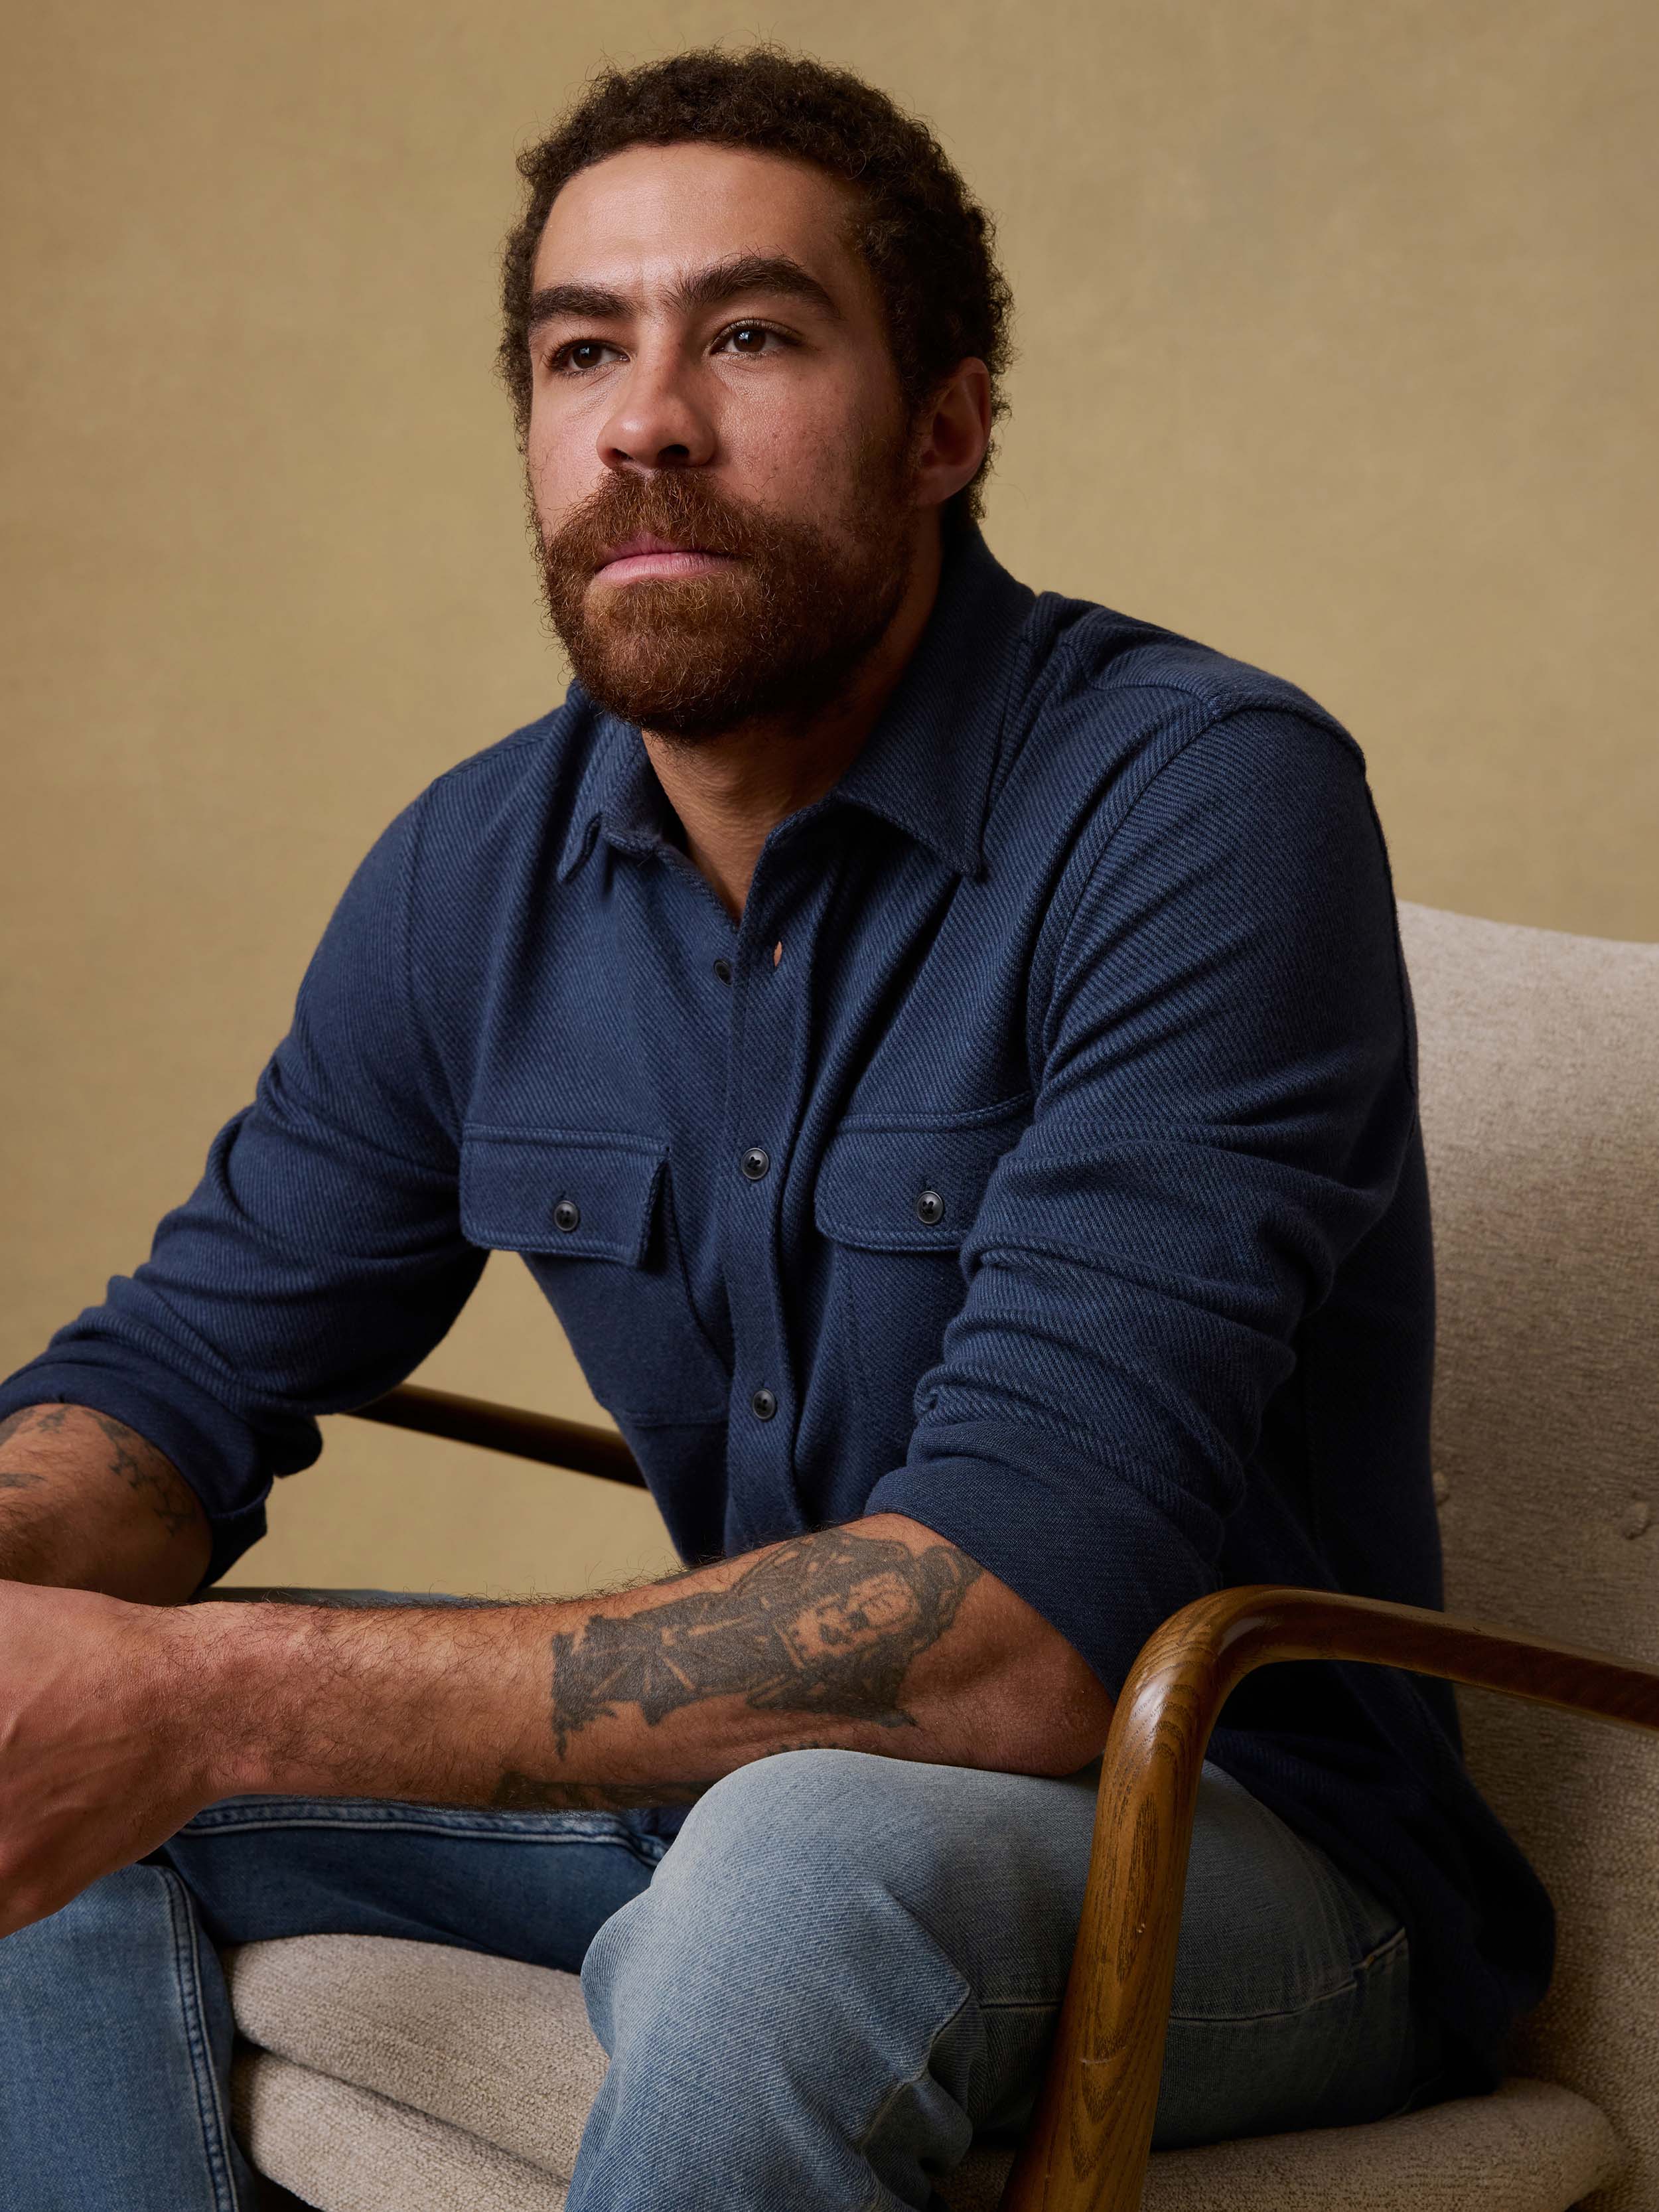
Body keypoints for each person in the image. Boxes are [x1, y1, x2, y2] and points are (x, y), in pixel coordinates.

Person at [0, 45, 1550, 2212]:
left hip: (1234, 1841)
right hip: (749, 1790)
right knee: (35, 1760)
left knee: (799, 1866)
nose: (644, 419)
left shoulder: (1200, 802)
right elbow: (172, 1388)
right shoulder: (472, 874)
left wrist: (212, 1696)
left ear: (943, 427)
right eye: (580, 351)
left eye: (746, 335)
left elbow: (1008, 1639)